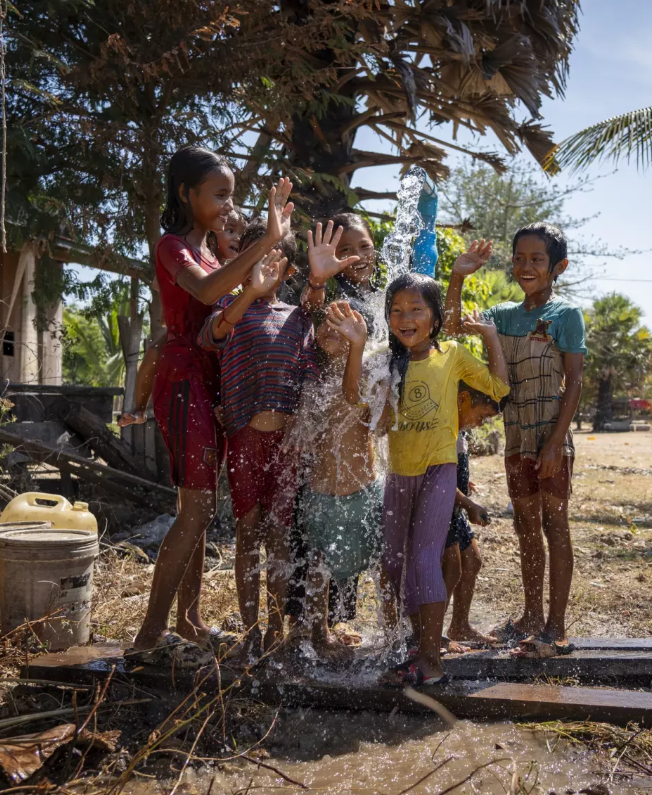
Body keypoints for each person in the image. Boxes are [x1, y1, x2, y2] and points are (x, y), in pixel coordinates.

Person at [133, 147, 295, 651]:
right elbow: (206, 294)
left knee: (198, 505)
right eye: (219, 194)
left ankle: (188, 621)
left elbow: (230, 304)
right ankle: (148, 636)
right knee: (198, 509)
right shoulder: (172, 247)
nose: (229, 204)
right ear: (186, 194)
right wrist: (267, 239)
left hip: (209, 384)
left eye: (232, 194)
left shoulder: (211, 253)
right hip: (183, 382)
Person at [444, 223, 586, 654]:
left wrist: (554, 444)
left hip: (551, 440)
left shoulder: (565, 316)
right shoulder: (503, 315)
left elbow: (575, 383)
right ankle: (531, 616)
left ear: (557, 266)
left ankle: (555, 627)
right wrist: (457, 276)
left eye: (537, 259)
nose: (526, 266)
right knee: (526, 526)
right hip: (515, 439)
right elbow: (451, 324)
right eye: (520, 258)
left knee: (554, 525)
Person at [364, 272, 509, 686]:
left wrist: (490, 336)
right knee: (394, 562)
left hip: (438, 470)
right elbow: (364, 413)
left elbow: (498, 386)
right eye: (395, 310)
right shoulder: (385, 360)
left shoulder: (453, 355)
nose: (404, 317)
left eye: (416, 309)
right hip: (398, 475)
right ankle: (415, 643)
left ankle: (431, 660)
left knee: (426, 557)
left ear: (435, 317)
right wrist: (357, 348)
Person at [199, 217, 328, 656]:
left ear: (289, 271)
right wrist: (249, 291)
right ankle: (250, 630)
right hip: (245, 440)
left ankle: (274, 628)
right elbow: (214, 336)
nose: (262, 267)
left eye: (273, 259)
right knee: (247, 533)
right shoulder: (230, 311)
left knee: (278, 535)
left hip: (285, 444)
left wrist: (302, 427)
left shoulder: (298, 318)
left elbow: (309, 372)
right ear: (238, 263)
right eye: (252, 257)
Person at [291, 300, 380, 659]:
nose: (328, 331)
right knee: (317, 566)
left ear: (360, 333)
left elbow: (357, 400)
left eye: (339, 325)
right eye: (325, 324)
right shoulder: (313, 376)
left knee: (379, 566)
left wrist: (356, 350)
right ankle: (318, 633)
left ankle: (392, 637)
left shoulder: (370, 374)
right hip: (320, 493)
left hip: (361, 491)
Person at [121, 210, 247, 428]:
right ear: (212, 234)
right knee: (154, 351)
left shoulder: (238, 272)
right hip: (188, 333)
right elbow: (159, 282)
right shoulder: (198, 258)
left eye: (241, 234)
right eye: (230, 230)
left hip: (221, 338)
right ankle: (139, 409)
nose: (236, 237)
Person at [443, 385, 500, 649]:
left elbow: (455, 468)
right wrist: (467, 503)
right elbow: (437, 477)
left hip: (456, 505)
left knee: (473, 562)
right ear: (462, 399)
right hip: (442, 508)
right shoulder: (442, 427)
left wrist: (466, 483)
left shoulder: (460, 429)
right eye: (482, 415)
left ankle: (460, 626)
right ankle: (431, 634)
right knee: (450, 571)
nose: (481, 423)